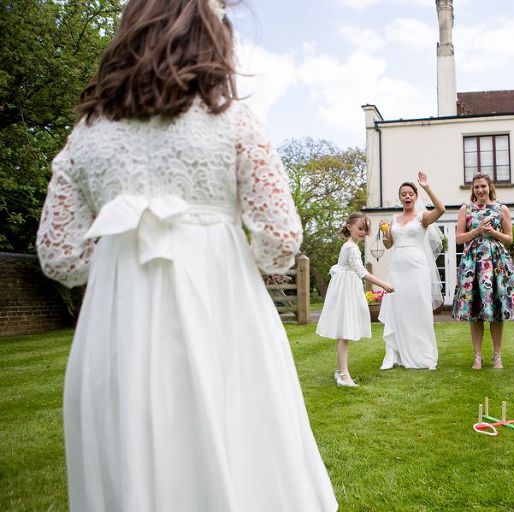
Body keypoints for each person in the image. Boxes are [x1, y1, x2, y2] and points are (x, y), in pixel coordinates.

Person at [35, 1, 337, 510]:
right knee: (238, 451)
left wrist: (117, 252)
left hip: (119, 326)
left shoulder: (87, 132)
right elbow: (280, 240)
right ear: (210, 36)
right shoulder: (235, 121)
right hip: (222, 314)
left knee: (132, 461)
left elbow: (60, 255)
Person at [452, 173, 514, 370]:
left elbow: (509, 239)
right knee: (474, 310)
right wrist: (476, 232)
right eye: (476, 187)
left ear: (490, 187)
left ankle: (497, 356)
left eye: (483, 186)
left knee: (497, 310)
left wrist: (494, 233)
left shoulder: (502, 209)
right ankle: (477, 356)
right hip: (472, 264)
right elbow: (459, 239)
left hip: (496, 264)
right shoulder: (465, 209)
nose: (480, 190)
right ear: (473, 189)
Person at [316, 213, 395, 387]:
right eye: (360, 228)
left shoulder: (351, 246)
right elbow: (361, 272)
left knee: (345, 332)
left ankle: (340, 371)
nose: (363, 232)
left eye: (365, 229)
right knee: (344, 332)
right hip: (346, 289)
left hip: (347, 287)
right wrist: (383, 284)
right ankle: (343, 375)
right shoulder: (351, 247)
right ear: (349, 227)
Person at [378, 172, 446, 370]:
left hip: (417, 268)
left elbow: (441, 209)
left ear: (416, 196)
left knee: (419, 309)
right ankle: (395, 354)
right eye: (403, 194)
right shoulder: (393, 218)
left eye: (410, 193)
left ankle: (423, 355)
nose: (407, 197)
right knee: (398, 310)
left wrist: (426, 186)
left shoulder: (422, 217)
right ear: (399, 198)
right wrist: (384, 231)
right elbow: (389, 244)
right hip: (398, 268)